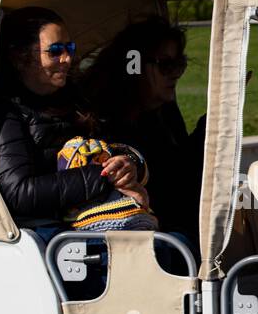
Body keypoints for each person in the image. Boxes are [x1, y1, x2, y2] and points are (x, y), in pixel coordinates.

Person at [0, 7, 147, 232]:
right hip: (42, 234)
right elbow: (19, 192)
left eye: (69, 48)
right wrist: (104, 177)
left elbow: (116, 146)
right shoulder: (6, 112)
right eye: (54, 51)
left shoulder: (78, 99)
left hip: (83, 220)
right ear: (19, 57)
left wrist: (130, 164)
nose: (67, 58)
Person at [82, 15, 204, 245]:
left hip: (177, 226)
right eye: (166, 65)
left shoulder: (162, 111)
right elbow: (167, 183)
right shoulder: (105, 123)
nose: (176, 73)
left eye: (180, 63)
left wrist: (214, 120)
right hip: (146, 235)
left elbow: (184, 169)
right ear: (135, 67)